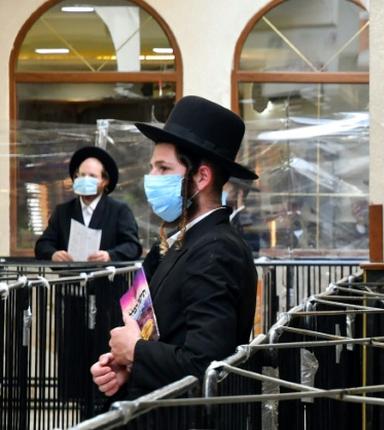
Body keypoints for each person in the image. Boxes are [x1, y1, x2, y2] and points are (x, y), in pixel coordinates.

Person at [90, 95, 259, 399]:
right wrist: (129, 367)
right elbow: (167, 336)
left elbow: (206, 363)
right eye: (152, 167)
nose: (151, 178)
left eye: (164, 169)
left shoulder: (217, 249)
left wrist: (136, 352)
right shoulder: (184, 240)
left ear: (202, 176)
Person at [35, 146, 142, 262]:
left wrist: (109, 255)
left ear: (104, 181)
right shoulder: (63, 211)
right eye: (82, 175)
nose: (86, 180)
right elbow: (42, 245)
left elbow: (133, 246)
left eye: (92, 176)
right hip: (72, 278)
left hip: (107, 278)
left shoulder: (119, 210)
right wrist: (53, 254)